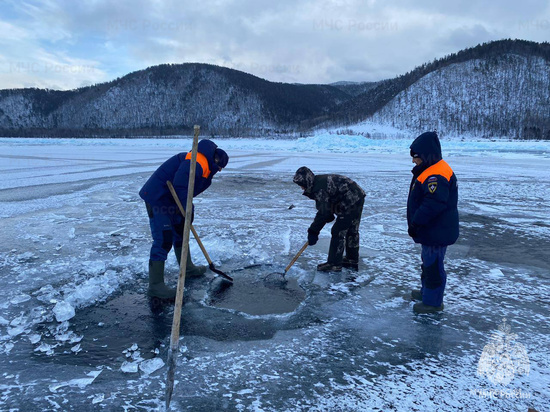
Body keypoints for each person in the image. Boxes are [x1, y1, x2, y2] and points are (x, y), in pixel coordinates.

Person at [139, 139, 229, 299]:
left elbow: (189, 189)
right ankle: (155, 286)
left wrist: (188, 210)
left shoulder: (205, 166)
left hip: (172, 199)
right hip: (158, 198)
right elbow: (180, 185)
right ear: (216, 160)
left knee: (181, 230)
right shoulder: (196, 162)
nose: (220, 170)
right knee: (164, 238)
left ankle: (186, 268)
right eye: (220, 167)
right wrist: (186, 209)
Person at [407, 131, 459, 313]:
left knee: (433, 266)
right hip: (433, 231)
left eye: (416, 157)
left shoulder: (436, 174)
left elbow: (433, 204)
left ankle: (433, 303)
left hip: (436, 231)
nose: (414, 161)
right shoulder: (431, 170)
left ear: (426, 154)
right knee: (428, 263)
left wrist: (416, 223)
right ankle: (427, 293)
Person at [293, 167, 365, 272]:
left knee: (338, 230)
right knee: (351, 229)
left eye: (302, 185)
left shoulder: (319, 188)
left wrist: (313, 231)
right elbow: (327, 206)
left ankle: (334, 264)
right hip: (356, 196)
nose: (302, 188)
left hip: (351, 200)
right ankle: (351, 259)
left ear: (307, 181)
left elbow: (323, 212)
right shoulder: (317, 183)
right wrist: (327, 214)